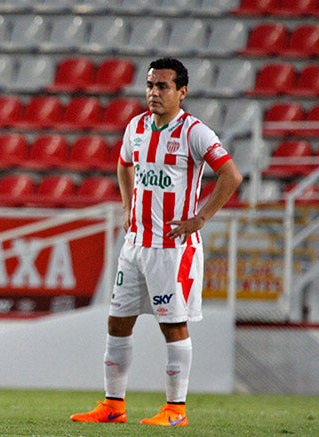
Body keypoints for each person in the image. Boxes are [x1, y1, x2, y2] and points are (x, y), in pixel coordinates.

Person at [70, 58, 242, 427]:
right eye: (150, 85)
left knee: (173, 326)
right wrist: (128, 204)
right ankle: (113, 405)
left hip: (172, 247)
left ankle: (176, 410)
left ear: (182, 92)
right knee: (117, 322)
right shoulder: (136, 127)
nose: (153, 92)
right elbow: (123, 164)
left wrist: (200, 218)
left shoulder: (195, 132)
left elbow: (231, 174)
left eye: (163, 86)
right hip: (135, 245)